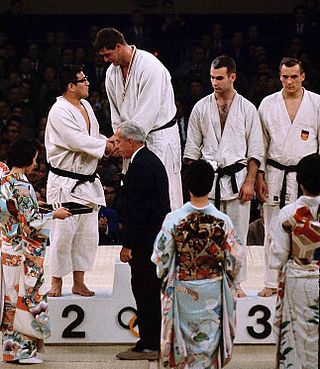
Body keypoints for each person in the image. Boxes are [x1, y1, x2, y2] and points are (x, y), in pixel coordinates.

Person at [183, 55, 264, 297]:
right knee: (206, 233)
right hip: (209, 180)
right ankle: (208, 278)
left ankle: (235, 282)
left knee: (236, 235)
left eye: (219, 78)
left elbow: (256, 151)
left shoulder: (248, 108)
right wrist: (195, 186)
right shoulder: (200, 107)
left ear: (232, 77)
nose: (214, 82)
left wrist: (250, 181)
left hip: (237, 179)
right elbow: (191, 152)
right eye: (212, 77)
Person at [152, 160, 244, 368]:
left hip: (184, 287)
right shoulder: (222, 220)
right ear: (211, 185)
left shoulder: (173, 219)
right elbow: (235, 260)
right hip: (212, 287)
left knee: (182, 341)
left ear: (187, 185)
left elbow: (161, 259)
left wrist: (168, 272)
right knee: (209, 339)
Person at [94, 27, 183, 211]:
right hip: (129, 141)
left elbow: (147, 113)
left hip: (158, 137)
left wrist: (122, 141)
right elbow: (115, 113)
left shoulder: (151, 67)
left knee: (164, 195)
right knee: (137, 196)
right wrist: (118, 139)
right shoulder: (111, 73)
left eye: (108, 54)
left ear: (119, 46)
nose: (106, 60)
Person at [45, 65, 115, 297]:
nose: (88, 83)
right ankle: (55, 282)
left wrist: (107, 142)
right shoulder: (59, 111)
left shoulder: (85, 106)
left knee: (87, 235)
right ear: (70, 86)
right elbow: (76, 140)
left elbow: (91, 138)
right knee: (63, 235)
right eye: (83, 80)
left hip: (87, 182)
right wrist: (105, 145)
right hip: (65, 183)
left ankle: (78, 282)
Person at [0, 139, 70, 364]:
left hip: (8, 247)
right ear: (28, 159)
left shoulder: (4, 180)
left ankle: (10, 349)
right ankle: (22, 351)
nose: (36, 163)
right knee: (25, 297)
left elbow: (17, 213)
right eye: (35, 158)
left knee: (11, 299)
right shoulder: (21, 185)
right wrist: (54, 215)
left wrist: (38, 210)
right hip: (23, 250)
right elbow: (31, 222)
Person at [256, 57, 320, 297]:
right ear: (279, 76)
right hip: (275, 173)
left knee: (310, 229)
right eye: (285, 77)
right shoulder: (267, 104)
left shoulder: (316, 103)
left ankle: (311, 278)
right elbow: (259, 145)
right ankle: (271, 282)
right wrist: (259, 175)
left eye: (294, 76)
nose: (289, 81)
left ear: (303, 76)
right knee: (272, 230)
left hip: (308, 178)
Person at [115, 122, 170, 360]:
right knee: (148, 291)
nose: (115, 146)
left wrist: (128, 244)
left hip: (145, 242)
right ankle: (149, 340)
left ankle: (150, 343)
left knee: (145, 291)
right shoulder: (148, 161)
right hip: (151, 238)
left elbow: (139, 211)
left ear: (130, 141)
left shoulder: (141, 166)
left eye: (118, 141)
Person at [269, 153, 320, 369]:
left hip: (297, 281)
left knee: (295, 337)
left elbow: (277, 255)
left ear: (299, 183)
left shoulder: (288, 213)